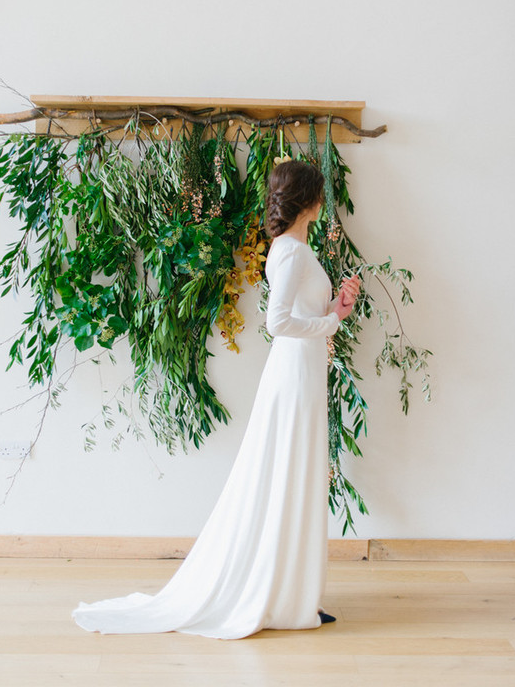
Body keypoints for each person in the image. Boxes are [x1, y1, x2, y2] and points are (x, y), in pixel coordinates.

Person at [72, 158, 360, 639]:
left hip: (305, 371)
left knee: (298, 473)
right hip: (293, 374)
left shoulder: (296, 250)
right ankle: (283, 597)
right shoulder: (289, 252)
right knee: (287, 471)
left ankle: (295, 596)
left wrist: (336, 309)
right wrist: (329, 323)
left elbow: (300, 315)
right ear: (309, 201)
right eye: (319, 193)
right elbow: (278, 323)